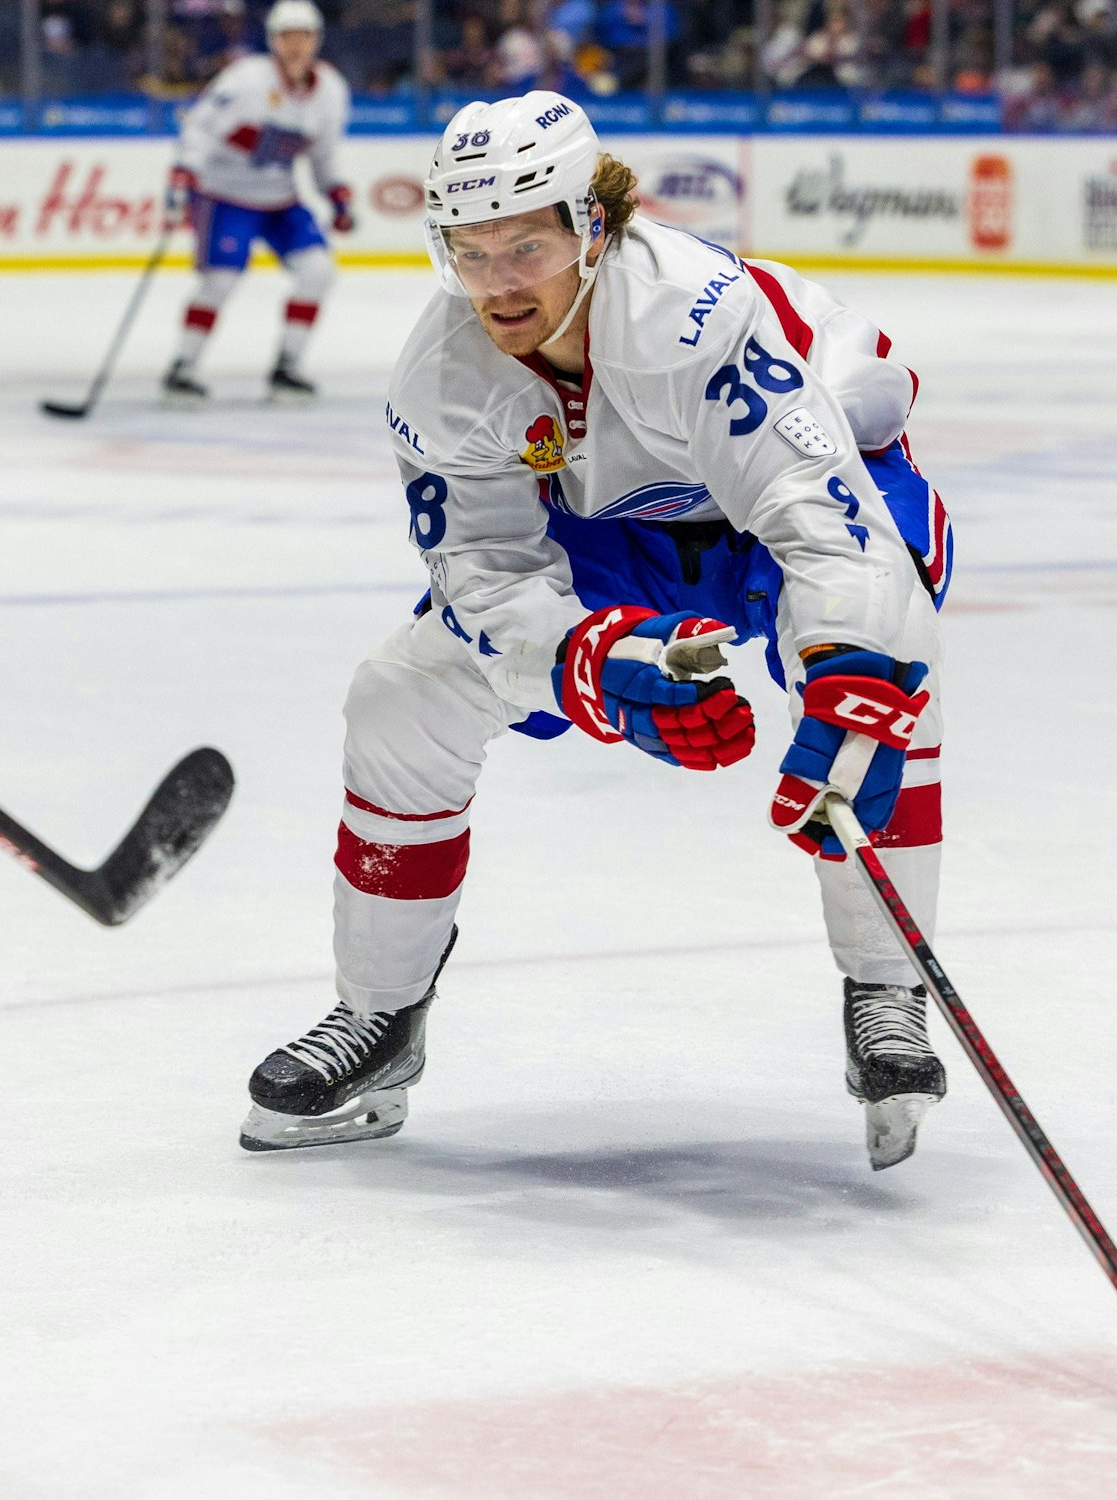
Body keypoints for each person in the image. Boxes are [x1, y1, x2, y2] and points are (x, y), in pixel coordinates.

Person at [238, 91, 957, 1171]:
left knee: (882, 675)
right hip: (610, 528)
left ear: (594, 226)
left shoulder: (695, 317)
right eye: (468, 251)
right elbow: (482, 576)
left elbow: (824, 526)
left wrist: (853, 675)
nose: (498, 282)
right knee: (400, 696)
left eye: (525, 244)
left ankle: (887, 987)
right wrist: (593, 661)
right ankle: (380, 1018)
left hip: (804, 493)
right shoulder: (441, 379)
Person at [161, 0, 353, 406]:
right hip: (224, 195)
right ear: (273, 41)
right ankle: (183, 366)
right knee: (220, 280)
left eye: (304, 36)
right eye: (287, 36)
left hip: (280, 199)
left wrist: (335, 192)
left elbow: (323, 155)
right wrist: (185, 169)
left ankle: (287, 367)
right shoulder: (245, 81)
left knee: (318, 271)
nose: (296, 45)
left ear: (316, 40)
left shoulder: (331, 92)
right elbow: (200, 127)